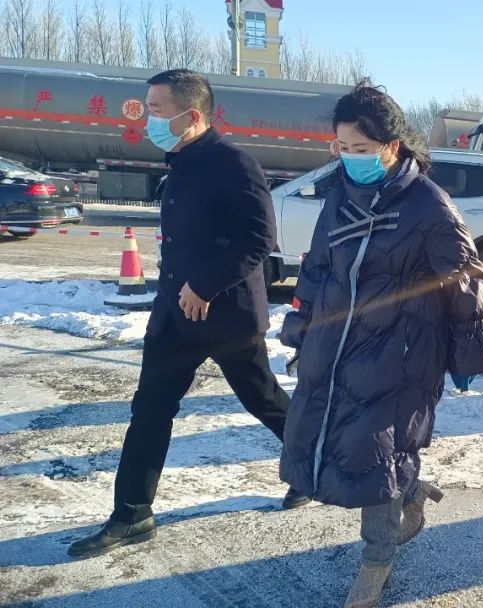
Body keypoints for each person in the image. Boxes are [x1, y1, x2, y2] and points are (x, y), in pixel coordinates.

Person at [277, 84, 483, 608]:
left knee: (376, 454)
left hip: (400, 352)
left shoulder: (429, 205)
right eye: (342, 147)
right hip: (336, 344)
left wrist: (468, 347)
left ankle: (375, 565)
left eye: (361, 148)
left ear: (391, 146)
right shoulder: (340, 195)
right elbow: (317, 266)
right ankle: (413, 491)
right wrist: (301, 328)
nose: (350, 158)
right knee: (335, 444)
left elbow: (467, 280)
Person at [69, 69, 306, 558]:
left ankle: (311, 470)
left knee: (263, 399)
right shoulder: (178, 161)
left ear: (191, 115)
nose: (147, 119)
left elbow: (259, 239)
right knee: (150, 410)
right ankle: (132, 514)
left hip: (225, 317)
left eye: (156, 110)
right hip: (174, 317)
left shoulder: (233, 163)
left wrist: (204, 285)